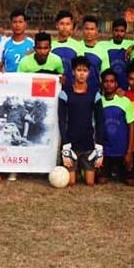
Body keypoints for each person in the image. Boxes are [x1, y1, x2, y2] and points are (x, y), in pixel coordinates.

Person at [58, 56, 104, 186]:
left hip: (88, 145)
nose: (82, 73)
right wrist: (65, 146)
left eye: (85, 70)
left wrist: (99, 148)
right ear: (73, 72)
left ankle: (83, 168)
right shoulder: (65, 94)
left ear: (89, 73)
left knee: (90, 183)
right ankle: (75, 168)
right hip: (71, 145)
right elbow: (61, 121)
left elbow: (100, 121)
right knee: (71, 182)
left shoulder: (95, 94)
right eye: (79, 70)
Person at [98, 69, 134, 184]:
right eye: (106, 81)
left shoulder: (125, 101)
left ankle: (120, 171)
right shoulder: (99, 102)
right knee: (101, 180)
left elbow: (132, 127)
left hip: (122, 152)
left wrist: (129, 152)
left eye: (112, 81)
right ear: (102, 84)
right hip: (106, 152)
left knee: (131, 182)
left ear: (116, 84)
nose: (109, 84)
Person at [51, 10, 84, 87]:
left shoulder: (77, 45)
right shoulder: (50, 45)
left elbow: (81, 68)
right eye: (62, 24)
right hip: (53, 87)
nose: (65, 27)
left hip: (72, 87)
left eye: (68, 24)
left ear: (72, 26)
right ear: (57, 25)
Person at [103, 18, 134, 91]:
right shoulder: (104, 45)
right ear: (112, 30)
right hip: (109, 90)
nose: (119, 34)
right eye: (116, 30)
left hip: (126, 91)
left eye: (122, 31)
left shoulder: (130, 44)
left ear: (125, 32)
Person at [80, 15, 109, 94]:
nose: (89, 32)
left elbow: (105, 74)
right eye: (87, 29)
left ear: (97, 30)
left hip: (95, 92)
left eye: (92, 29)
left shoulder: (102, 51)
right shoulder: (76, 47)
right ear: (82, 29)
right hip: (77, 92)